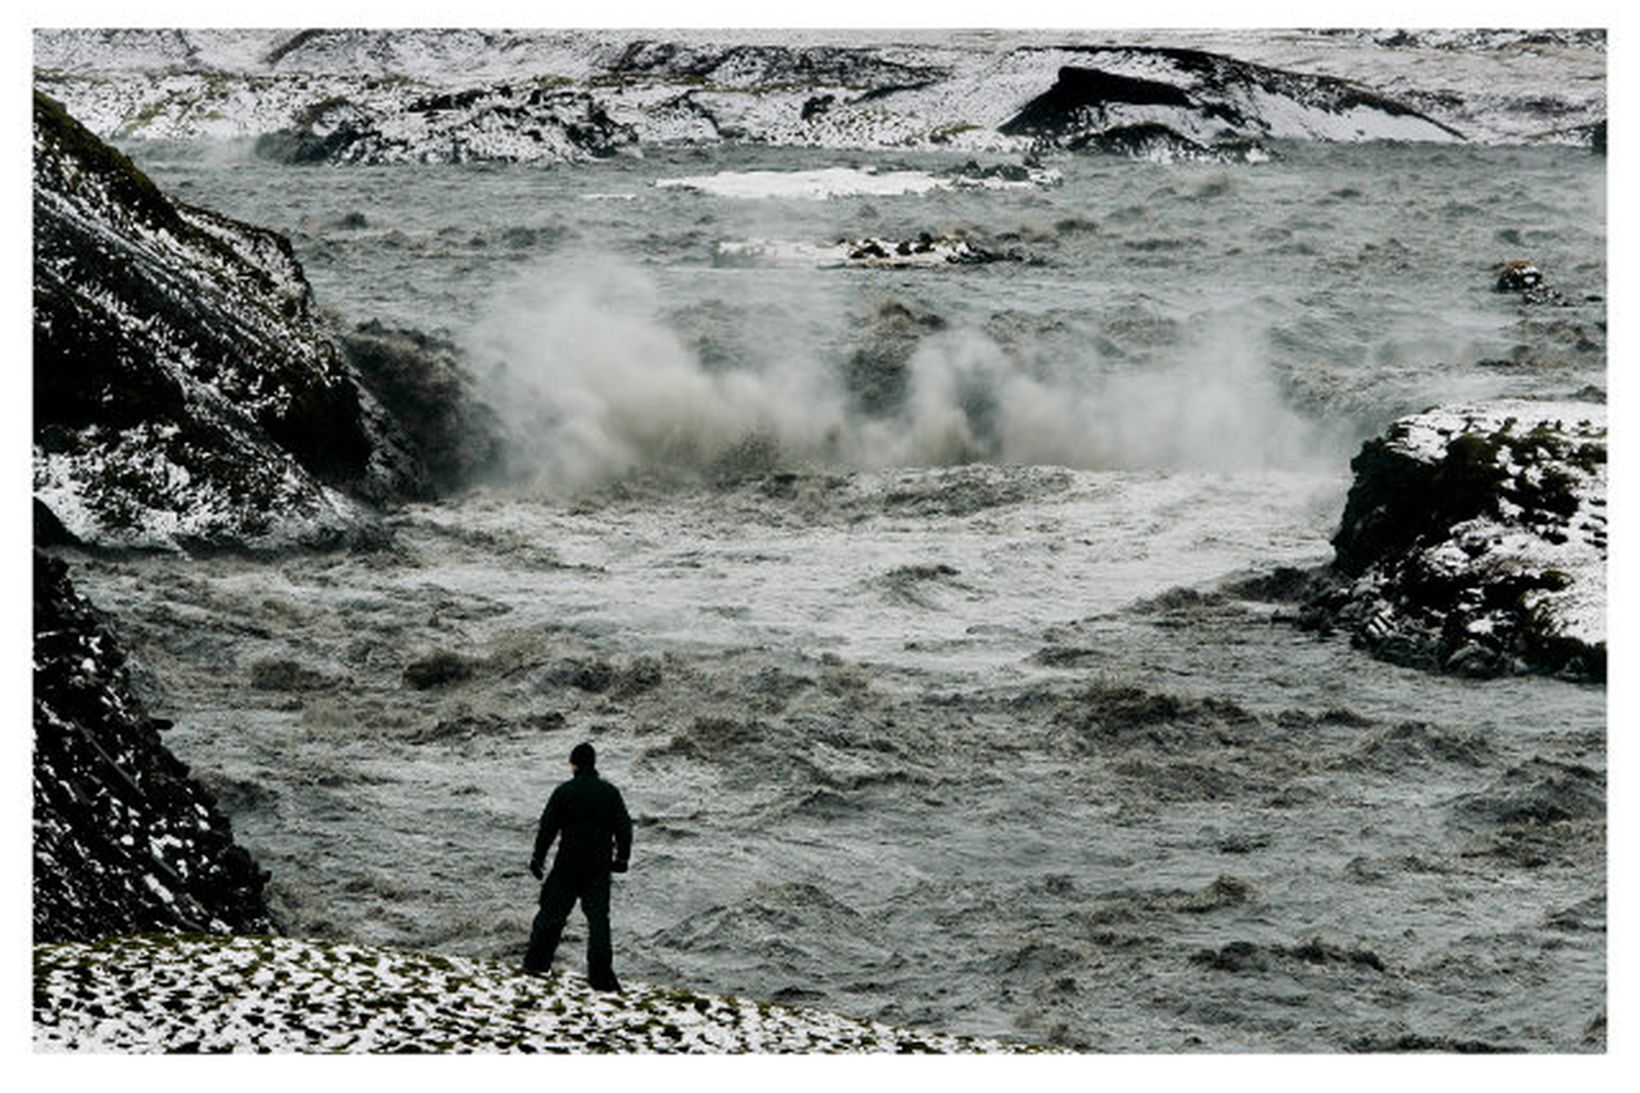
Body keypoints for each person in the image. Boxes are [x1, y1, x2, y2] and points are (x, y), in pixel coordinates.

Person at [524, 741, 632, 991]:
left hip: (567, 865)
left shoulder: (564, 791)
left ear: (574, 764)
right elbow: (624, 829)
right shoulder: (610, 792)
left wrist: (538, 858)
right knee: (598, 923)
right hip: (598, 867)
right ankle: (601, 977)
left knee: (551, 915)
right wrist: (622, 859)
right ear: (593, 764)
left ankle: (536, 964)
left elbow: (548, 828)